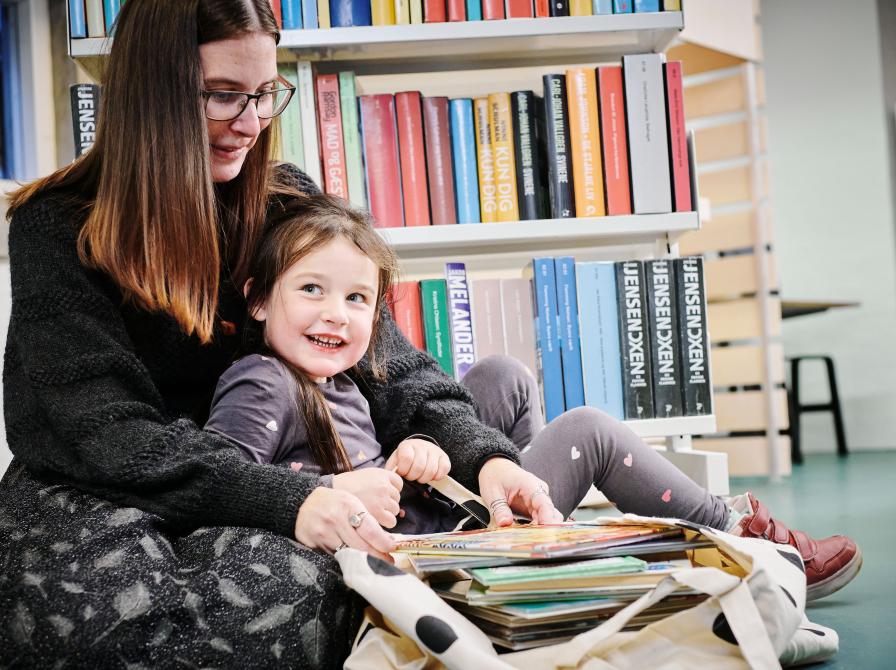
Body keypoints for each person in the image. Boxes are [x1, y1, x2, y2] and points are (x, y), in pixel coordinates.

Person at [0, 0, 857, 665]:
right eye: (223, 94)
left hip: (321, 462)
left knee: (487, 408)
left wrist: (484, 459)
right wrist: (297, 501)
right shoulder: (57, 227)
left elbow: (395, 363)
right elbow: (104, 433)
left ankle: (702, 537)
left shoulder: (285, 201)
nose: (251, 119)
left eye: (266, 93)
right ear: (152, 94)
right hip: (179, 481)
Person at [206, 194, 862, 604]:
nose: (337, 315)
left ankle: (536, 531)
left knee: (503, 375)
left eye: (357, 299)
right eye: (311, 290)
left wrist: (418, 451)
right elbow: (226, 483)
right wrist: (342, 488)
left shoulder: (341, 378)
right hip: (434, 550)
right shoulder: (264, 381)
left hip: (436, 510)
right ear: (260, 300)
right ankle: (736, 534)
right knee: (591, 431)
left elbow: (376, 452)